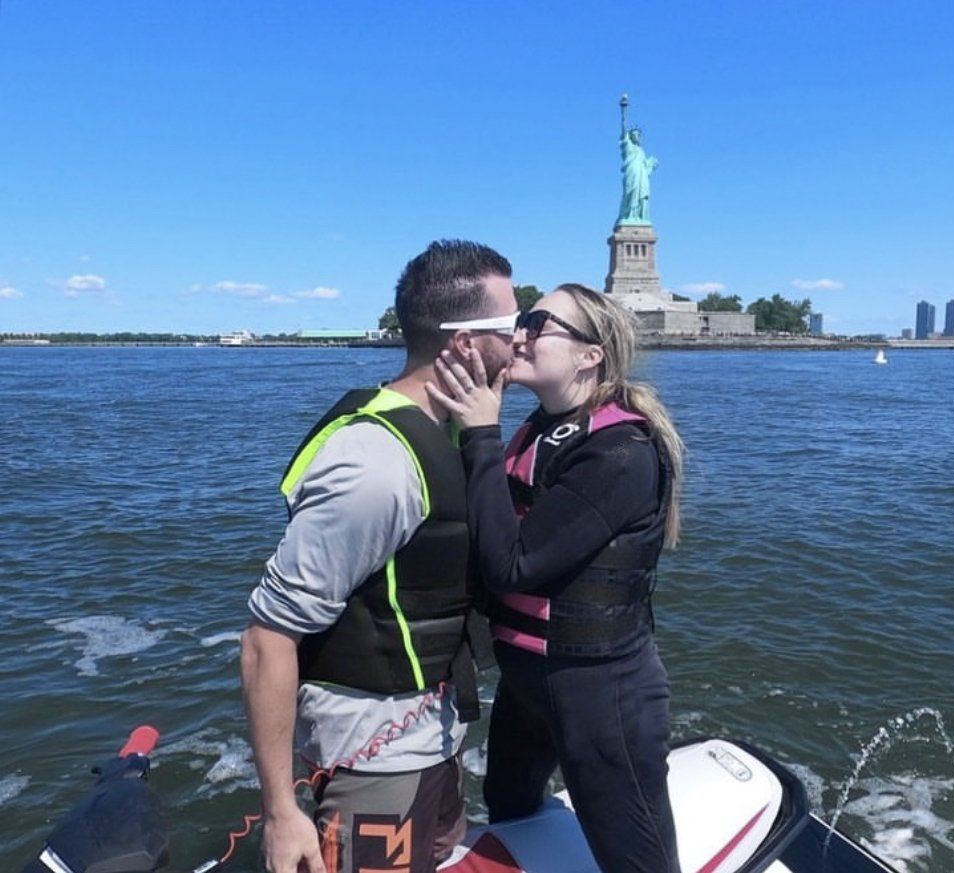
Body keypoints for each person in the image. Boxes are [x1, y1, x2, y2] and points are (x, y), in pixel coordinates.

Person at [240, 240, 517, 873]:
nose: (524, 340)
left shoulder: (455, 428)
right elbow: (267, 638)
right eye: (513, 325)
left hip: (432, 736)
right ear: (466, 344)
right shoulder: (377, 467)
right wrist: (283, 814)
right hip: (373, 756)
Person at [427, 283, 685, 873]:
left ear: (589, 354)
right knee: (512, 811)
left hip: (600, 691)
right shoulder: (540, 428)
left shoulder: (620, 451)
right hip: (528, 682)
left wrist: (482, 433)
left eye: (539, 324)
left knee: (636, 858)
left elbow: (512, 565)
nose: (519, 333)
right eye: (522, 319)